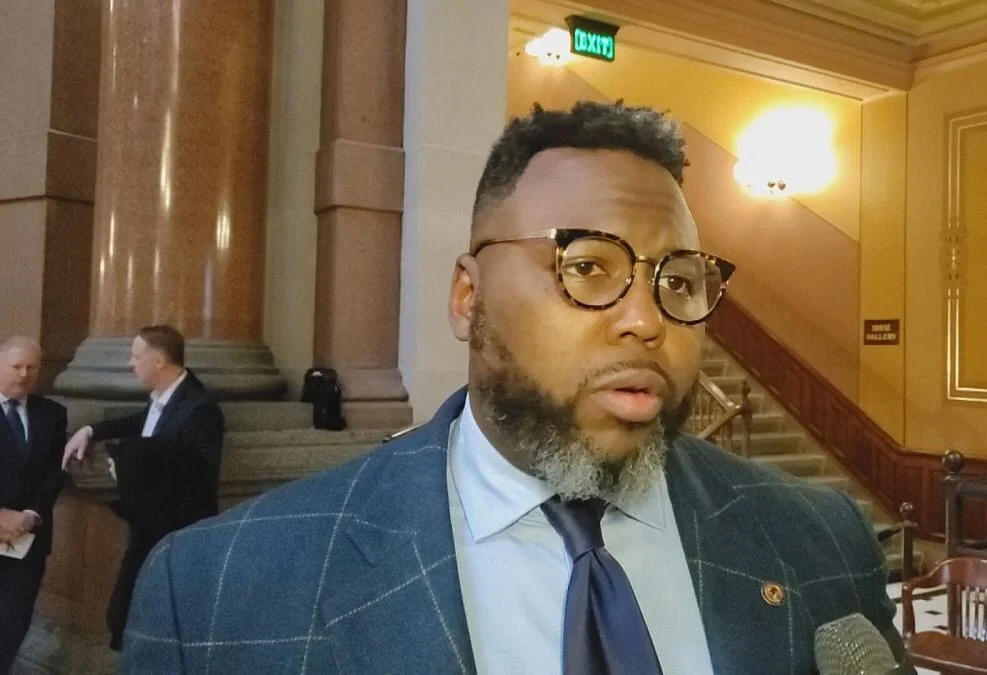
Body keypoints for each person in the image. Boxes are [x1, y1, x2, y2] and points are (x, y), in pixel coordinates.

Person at [119, 102, 899, 673]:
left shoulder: (821, 540)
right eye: (587, 265)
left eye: (678, 280)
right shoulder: (218, 591)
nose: (646, 320)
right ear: (469, 297)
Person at [61, 325, 223, 651]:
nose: (131, 363)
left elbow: (193, 468)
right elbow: (142, 424)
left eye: (136, 357)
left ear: (159, 360)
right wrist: (91, 429)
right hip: (149, 523)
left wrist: (124, 463)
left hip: (175, 532)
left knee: (151, 620)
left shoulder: (200, 407)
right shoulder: (170, 395)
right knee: (124, 615)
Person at [0, 337, 66, 673]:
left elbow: (55, 473)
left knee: (14, 618)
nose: (24, 374)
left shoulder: (52, 414)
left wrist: (30, 515)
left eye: (32, 367)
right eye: (16, 366)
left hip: (29, 538)